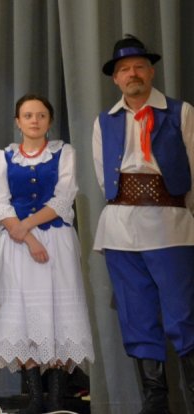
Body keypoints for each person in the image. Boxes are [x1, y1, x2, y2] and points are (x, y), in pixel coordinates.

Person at [92, 34, 194, 413]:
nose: (132, 74)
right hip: (120, 228)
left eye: (138, 67)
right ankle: (155, 400)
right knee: (136, 315)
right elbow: (104, 178)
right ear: (115, 79)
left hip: (170, 223)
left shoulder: (180, 112)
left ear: (150, 72)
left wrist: (180, 211)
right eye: (124, 69)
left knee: (183, 313)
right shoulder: (105, 121)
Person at [0, 94, 94, 414]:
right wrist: (25, 236)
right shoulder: (3, 157)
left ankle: (57, 398)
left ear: (49, 121)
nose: (34, 120)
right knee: (23, 315)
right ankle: (35, 399)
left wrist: (27, 227)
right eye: (28, 115)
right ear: (18, 122)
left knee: (58, 315)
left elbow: (63, 198)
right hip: (17, 247)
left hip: (55, 241)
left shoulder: (65, 153)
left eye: (41, 115)